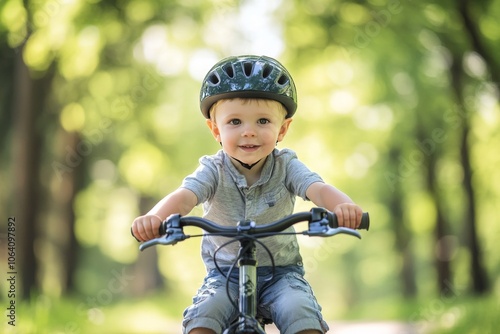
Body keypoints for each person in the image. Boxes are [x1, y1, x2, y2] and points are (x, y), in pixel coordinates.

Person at [131, 55, 364, 334]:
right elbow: (184, 197)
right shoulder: (213, 170)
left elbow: (319, 190)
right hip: (224, 274)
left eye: (263, 121)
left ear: (284, 128)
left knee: (300, 313)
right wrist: (155, 218)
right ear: (216, 129)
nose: (249, 132)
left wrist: (345, 207)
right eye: (235, 122)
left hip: (281, 274)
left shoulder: (286, 165)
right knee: (203, 318)